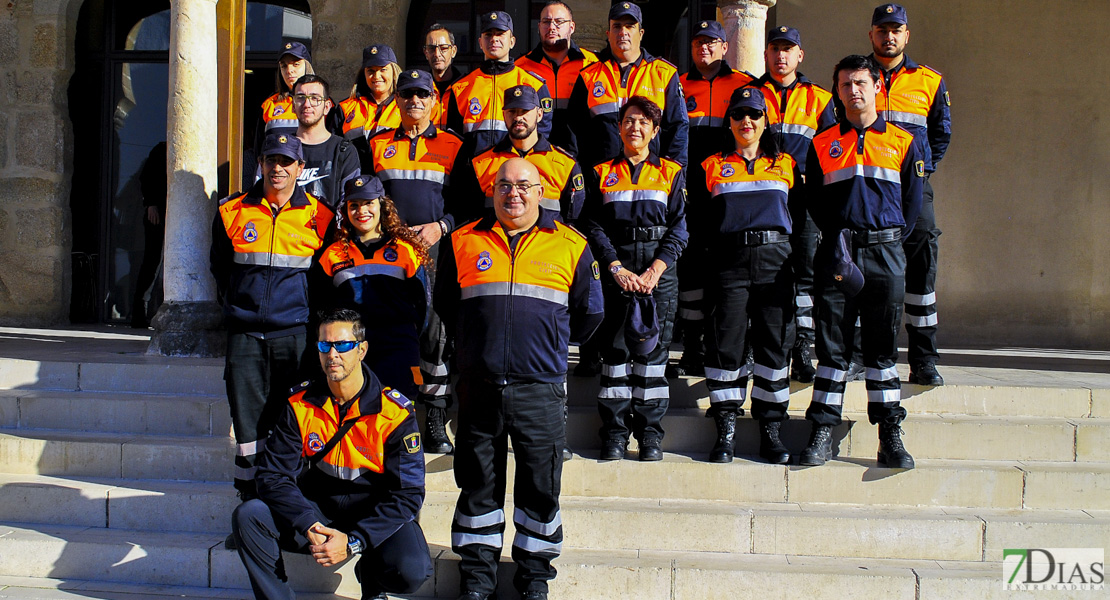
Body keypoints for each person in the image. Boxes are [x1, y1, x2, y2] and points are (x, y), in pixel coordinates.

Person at [435, 157, 604, 600]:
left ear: (541, 190)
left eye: (524, 186)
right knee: (477, 485)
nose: (514, 194)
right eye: (504, 186)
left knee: (540, 486)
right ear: (492, 191)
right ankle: (476, 578)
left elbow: (590, 313)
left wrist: (547, 347)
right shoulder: (461, 242)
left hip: (540, 388)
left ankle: (533, 579)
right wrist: (477, 346)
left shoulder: (571, 244)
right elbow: (446, 306)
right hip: (479, 385)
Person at [232, 308, 433, 600]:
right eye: (325, 345)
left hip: (371, 511)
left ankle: (371, 577)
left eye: (343, 345)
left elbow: (409, 494)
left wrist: (356, 542)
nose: (333, 354)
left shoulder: (395, 413)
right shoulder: (299, 405)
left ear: (362, 349)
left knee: (412, 571)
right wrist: (306, 523)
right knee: (249, 515)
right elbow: (273, 476)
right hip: (317, 510)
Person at [801, 54, 923, 469]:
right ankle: (822, 430)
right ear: (836, 91)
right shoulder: (822, 144)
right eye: (845, 85)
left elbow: (911, 205)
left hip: (886, 252)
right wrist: (841, 237)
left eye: (860, 83)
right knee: (832, 349)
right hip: (839, 251)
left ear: (876, 87)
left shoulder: (904, 142)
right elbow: (816, 201)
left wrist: (884, 239)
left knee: (882, 351)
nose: (853, 91)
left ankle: (889, 434)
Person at [210, 133, 334, 503]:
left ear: (300, 168)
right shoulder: (231, 211)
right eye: (271, 160)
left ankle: (288, 501)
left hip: (294, 335)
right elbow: (220, 268)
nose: (277, 168)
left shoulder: (320, 214)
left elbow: (324, 280)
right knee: (247, 425)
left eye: (286, 162)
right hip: (245, 335)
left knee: (292, 420)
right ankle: (250, 504)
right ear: (260, 163)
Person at [696, 88, 801, 464]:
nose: (747, 121)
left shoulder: (786, 163)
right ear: (730, 121)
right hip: (730, 260)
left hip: (776, 258)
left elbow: (801, 220)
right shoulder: (711, 165)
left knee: (774, 344)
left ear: (765, 120)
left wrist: (801, 268)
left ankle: (771, 430)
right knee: (727, 343)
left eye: (754, 115)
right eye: (739, 114)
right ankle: (725, 427)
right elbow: (701, 222)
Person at [365, 69, 466, 454]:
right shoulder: (376, 143)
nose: (414, 102)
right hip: (389, 252)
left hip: (436, 251)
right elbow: (367, 198)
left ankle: (436, 418)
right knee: (390, 331)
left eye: (422, 95)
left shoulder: (454, 145)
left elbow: (466, 204)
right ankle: (386, 415)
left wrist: (441, 227)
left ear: (435, 100)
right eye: (407, 95)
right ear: (398, 100)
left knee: (435, 335)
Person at [582, 96, 687, 462]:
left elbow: (680, 227)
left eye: (644, 122)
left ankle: (649, 435)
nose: (635, 127)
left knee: (654, 358)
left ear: (656, 131)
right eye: (629, 120)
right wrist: (615, 267)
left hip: (659, 272)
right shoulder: (600, 173)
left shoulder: (671, 172)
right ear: (619, 126)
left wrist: (656, 269)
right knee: (615, 356)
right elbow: (592, 225)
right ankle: (613, 434)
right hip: (618, 272)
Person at [868, 3, 951, 386]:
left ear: (906, 35)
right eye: (882, 30)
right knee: (864, 272)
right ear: (872, 34)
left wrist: (921, 173)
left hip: (913, 191)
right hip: (867, 191)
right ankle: (857, 355)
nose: (889, 36)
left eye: (895, 30)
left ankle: (923, 359)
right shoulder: (858, 76)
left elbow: (940, 133)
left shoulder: (929, 80)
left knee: (921, 270)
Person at [749, 25, 837, 384]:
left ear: (800, 55)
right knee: (760, 273)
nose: (781, 55)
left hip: (802, 200)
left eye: (788, 49)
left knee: (804, 275)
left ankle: (802, 347)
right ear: (766, 54)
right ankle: (758, 345)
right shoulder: (749, 93)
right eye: (775, 48)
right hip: (759, 198)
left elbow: (833, 150)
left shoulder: (820, 98)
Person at [671, 19, 754, 378]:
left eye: (712, 42)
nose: (704, 48)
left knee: (729, 271)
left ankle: (732, 346)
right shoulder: (677, 85)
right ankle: (692, 346)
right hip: (690, 193)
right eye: (698, 42)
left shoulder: (744, 85)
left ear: (724, 47)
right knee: (690, 271)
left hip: (727, 192)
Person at [318, 175, 430, 400]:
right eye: (354, 205)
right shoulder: (333, 254)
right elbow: (322, 306)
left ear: (382, 205)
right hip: (351, 350)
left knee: (398, 412)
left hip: (398, 346)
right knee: (355, 413)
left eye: (369, 203)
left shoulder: (405, 251)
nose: (362, 211)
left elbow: (423, 306)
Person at [567, 2, 689, 172]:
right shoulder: (589, 76)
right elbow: (574, 131)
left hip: (651, 179)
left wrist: (675, 176)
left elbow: (678, 129)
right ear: (608, 34)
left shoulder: (664, 73)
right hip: (601, 179)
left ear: (641, 33)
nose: (623, 32)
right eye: (617, 26)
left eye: (629, 26)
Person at [466, 85, 586, 223]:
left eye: (524, 111)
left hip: (547, 243)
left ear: (540, 114)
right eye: (512, 111)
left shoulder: (565, 164)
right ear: (504, 115)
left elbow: (573, 221)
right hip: (496, 243)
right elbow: (470, 217)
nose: (518, 118)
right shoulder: (481, 163)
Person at [440, 11, 553, 154]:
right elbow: (453, 139)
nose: (494, 39)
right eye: (488, 34)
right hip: (475, 171)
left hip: (516, 171)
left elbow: (543, 133)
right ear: (480, 42)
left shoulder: (533, 84)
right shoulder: (461, 87)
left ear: (512, 41)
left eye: (500, 34)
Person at [515, 0, 598, 153]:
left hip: (583, 154)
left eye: (559, 22)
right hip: (537, 153)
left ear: (571, 27)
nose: (552, 27)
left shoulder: (592, 64)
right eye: (546, 22)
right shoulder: (521, 67)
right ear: (539, 27)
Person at [292, 74, 361, 210]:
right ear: (293, 105)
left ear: (327, 106)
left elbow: (349, 201)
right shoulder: (279, 149)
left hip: (329, 229)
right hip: (287, 228)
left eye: (315, 98)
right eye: (300, 98)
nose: (307, 104)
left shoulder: (344, 151)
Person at [340, 44, 402, 163]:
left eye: (383, 69)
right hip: (356, 177)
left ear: (394, 71)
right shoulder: (345, 108)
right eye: (371, 71)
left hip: (391, 176)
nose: (376, 76)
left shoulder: (405, 106)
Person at [130, 141, 167, 328]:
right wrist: (151, 204)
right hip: (158, 215)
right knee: (152, 262)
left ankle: (158, 310)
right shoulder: (161, 150)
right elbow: (146, 178)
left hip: (176, 213)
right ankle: (139, 313)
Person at [255, 42, 314, 155]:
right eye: (284, 66)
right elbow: (259, 149)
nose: (289, 70)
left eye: (296, 64)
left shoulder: (322, 102)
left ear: (307, 66)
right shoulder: (270, 104)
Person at [423, 24, 462, 99]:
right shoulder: (420, 90)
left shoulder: (466, 87)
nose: (437, 54)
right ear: (426, 53)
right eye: (431, 48)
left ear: (453, 51)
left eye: (443, 48)